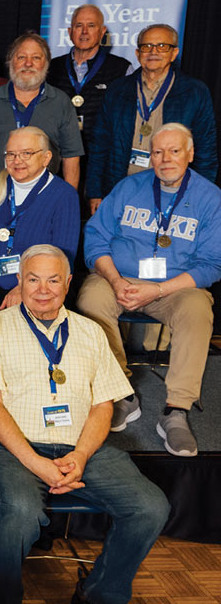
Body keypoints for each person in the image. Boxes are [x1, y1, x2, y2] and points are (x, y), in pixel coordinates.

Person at [0, 243, 170, 604]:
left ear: (68, 283)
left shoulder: (92, 331)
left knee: (150, 506)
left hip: (81, 446)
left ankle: (100, 598)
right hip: (10, 448)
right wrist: (37, 463)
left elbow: (103, 405)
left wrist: (79, 455)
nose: (43, 290)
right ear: (20, 282)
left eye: (53, 279)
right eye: (33, 279)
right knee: (21, 510)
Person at [78, 123, 221, 457]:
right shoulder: (129, 187)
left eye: (174, 151)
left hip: (174, 287)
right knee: (90, 299)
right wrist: (114, 280)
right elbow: (95, 238)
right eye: (157, 152)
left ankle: (176, 410)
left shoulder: (211, 198)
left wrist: (156, 291)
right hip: (118, 278)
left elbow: (212, 264)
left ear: (190, 154)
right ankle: (122, 393)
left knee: (198, 311)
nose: (165, 159)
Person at [0, 127, 80, 355]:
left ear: (46, 157)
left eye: (26, 153)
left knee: (25, 334)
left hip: (39, 282)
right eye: (10, 154)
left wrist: (23, 285)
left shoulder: (63, 195)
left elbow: (64, 254)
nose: (17, 160)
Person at [85, 23, 217, 213]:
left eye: (162, 46)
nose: (153, 51)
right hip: (121, 187)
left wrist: (199, 196)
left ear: (174, 53)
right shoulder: (117, 90)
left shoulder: (194, 92)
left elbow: (206, 151)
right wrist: (95, 192)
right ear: (138, 54)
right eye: (147, 46)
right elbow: (99, 145)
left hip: (173, 190)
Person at [0, 32, 84, 188]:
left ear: (46, 63)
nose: (28, 63)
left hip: (45, 197)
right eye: (21, 57)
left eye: (36, 58)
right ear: (10, 61)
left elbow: (71, 157)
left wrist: (68, 200)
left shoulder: (61, 102)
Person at [46, 4, 130, 187]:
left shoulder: (122, 68)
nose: (84, 31)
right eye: (78, 26)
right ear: (69, 31)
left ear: (102, 31)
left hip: (102, 163)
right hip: (57, 161)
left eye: (91, 25)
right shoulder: (51, 68)